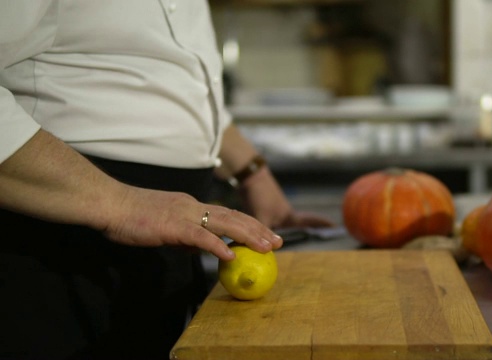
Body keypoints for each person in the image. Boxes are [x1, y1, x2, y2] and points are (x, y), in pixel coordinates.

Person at [0, 1, 334, 359]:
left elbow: (181, 90)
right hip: (57, 241)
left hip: (163, 234)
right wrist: (122, 204)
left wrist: (253, 174)